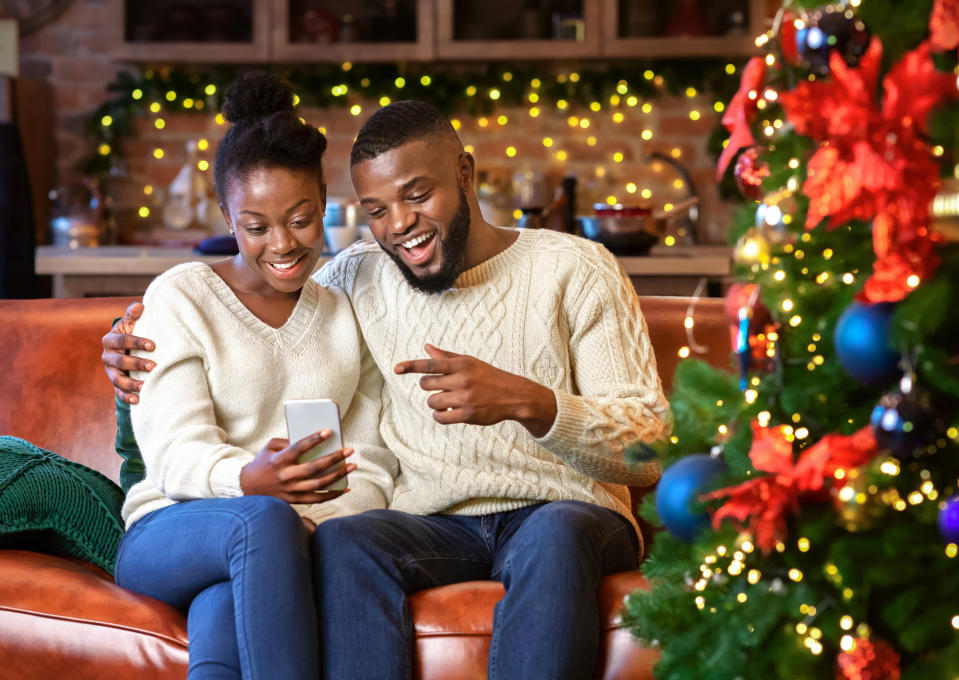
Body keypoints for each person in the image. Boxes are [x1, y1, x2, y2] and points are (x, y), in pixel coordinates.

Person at [103, 100, 669, 679]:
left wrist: (532, 403)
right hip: (436, 523)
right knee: (349, 541)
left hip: (564, 511)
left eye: (417, 195)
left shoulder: (578, 268)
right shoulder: (357, 276)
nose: (399, 223)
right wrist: (128, 344)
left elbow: (649, 446)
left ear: (465, 174)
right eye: (377, 209)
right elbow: (266, 306)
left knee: (555, 531)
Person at [109, 72, 395, 680]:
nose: (283, 244)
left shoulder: (344, 315)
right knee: (261, 520)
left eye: (301, 218)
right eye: (256, 226)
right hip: (170, 528)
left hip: (283, 542)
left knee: (224, 607)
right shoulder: (182, 296)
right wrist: (248, 480)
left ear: (323, 201)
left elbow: (369, 459)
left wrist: (317, 523)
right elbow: (173, 456)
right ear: (226, 216)